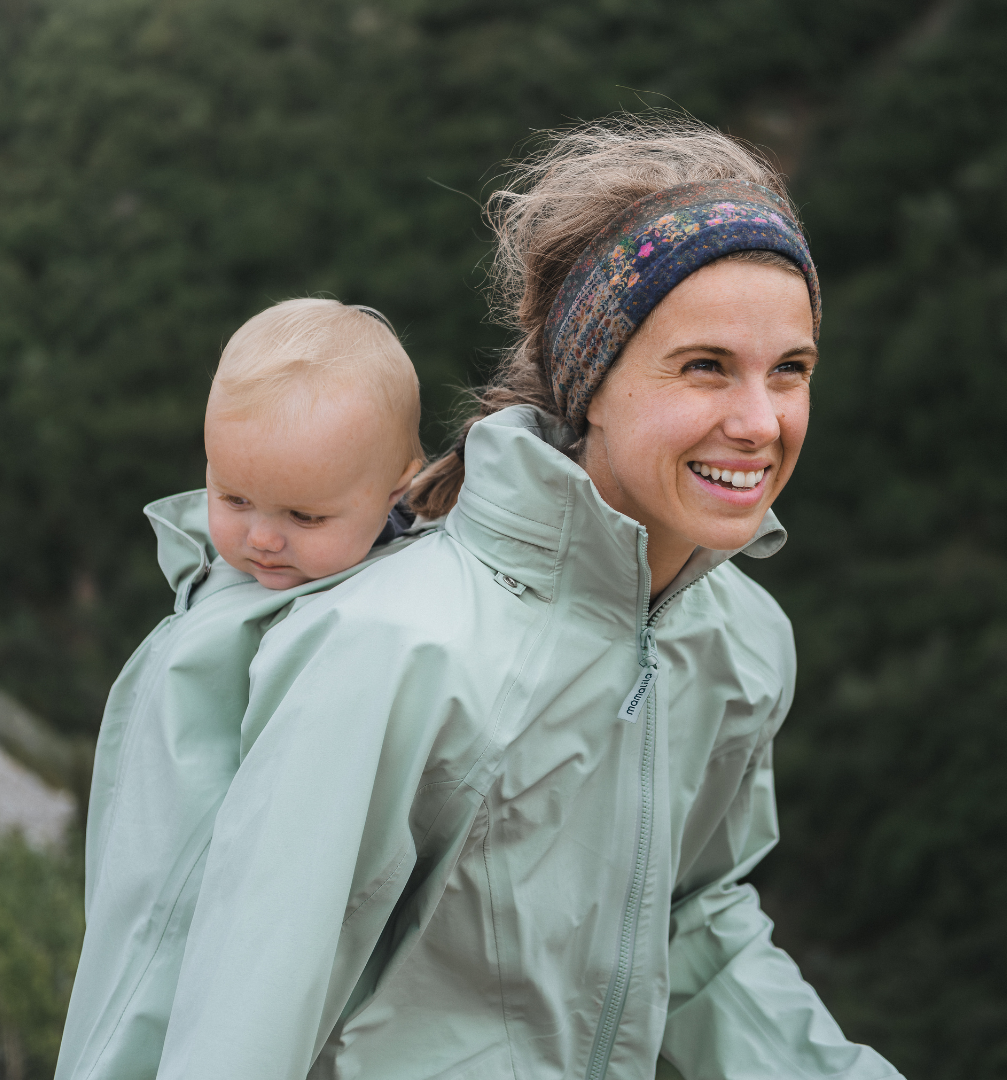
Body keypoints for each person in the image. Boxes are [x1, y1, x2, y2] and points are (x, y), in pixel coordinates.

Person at [154, 117, 905, 1080]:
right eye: (705, 365)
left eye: (789, 370)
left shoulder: (744, 644)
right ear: (591, 378)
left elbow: (693, 922)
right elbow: (245, 1021)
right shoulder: (393, 648)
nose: (760, 421)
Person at [56, 299, 429, 1080]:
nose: (261, 537)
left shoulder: (342, 640)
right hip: (132, 935)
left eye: (304, 513)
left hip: (190, 983)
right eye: (232, 498)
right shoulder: (228, 585)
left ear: (402, 488)